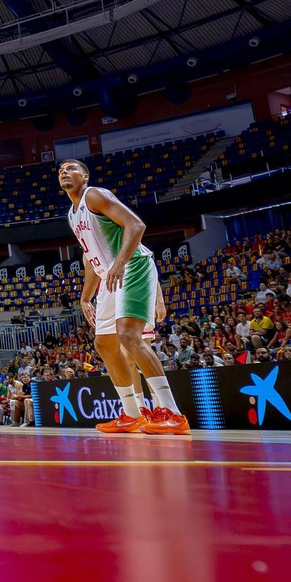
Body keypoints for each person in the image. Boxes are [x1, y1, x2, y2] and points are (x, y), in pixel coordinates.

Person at [59, 158, 189, 435]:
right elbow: (90, 256)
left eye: (71, 169)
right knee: (104, 345)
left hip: (131, 266)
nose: (64, 173)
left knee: (129, 336)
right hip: (109, 275)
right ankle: (133, 414)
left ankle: (172, 413)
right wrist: (85, 298)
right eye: (61, 171)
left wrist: (119, 263)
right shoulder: (72, 214)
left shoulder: (94, 195)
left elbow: (136, 226)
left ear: (84, 176)